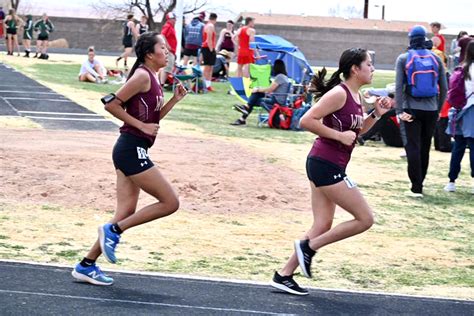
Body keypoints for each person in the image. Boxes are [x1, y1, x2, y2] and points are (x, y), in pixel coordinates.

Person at [270, 48, 390, 296]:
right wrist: (338, 136)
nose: (373, 69)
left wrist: (376, 114)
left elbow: (356, 133)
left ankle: (283, 275)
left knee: (323, 222)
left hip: (328, 164)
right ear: (355, 69)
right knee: (365, 219)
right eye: (369, 64)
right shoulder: (339, 93)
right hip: (325, 164)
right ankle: (309, 248)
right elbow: (306, 120)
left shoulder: (356, 96)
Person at [71, 32, 187, 286]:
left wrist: (174, 101)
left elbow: (152, 121)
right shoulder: (142, 75)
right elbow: (112, 104)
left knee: (125, 210)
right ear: (149, 53)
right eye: (163, 48)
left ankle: (86, 265)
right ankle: (114, 230)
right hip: (130, 148)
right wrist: (141, 127)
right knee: (170, 202)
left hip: (133, 148)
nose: (167, 52)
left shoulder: (153, 77)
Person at [395, 25, 447, 198]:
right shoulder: (436, 58)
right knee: (425, 147)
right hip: (431, 110)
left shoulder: (403, 58)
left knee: (413, 147)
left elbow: (399, 87)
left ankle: (415, 187)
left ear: (410, 38)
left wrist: (399, 110)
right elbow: (444, 88)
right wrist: (438, 109)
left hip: (411, 109)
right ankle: (421, 183)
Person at [444, 39, 474, 194]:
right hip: (472, 112)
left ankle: (451, 181)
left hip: (460, 110)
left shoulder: (463, 68)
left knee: (458, 147)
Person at [231, 59, 290, 126]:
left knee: (254, 99)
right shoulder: (284, 77)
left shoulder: (280, 77)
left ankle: (243, 115)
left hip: (276, 101)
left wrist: (258, 89)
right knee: (256, 96)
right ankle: (244, 112)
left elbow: (269, 90)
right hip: (277, 98)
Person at [159, 12, 177, 85]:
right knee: (167, 68)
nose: (175, 20)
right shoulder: (167, 26)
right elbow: (162, 35)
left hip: (172, 51)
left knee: (168, 69)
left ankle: (161, 83)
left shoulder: (171, 27)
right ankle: (161, 84)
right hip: (169, 50)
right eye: (174, 19)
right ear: (170, 19)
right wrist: (167, 45)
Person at [201, 12, 217, 92]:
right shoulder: (210, 26)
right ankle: (204, 85)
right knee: (208, 68)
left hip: (206, 47)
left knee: (209, 67)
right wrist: (211, 50)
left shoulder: (206, 25)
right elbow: (209, 38)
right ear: (215, 19)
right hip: (208, 48)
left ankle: (207, 84)